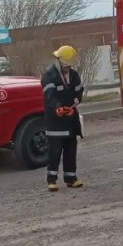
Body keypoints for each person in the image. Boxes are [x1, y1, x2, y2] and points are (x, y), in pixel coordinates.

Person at [41, 45, 85, 191]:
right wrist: (58, 108)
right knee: (54, 152)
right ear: (58, 61)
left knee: (71, 151)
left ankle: (71, 178)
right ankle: (51, 180)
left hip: (70, 122)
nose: (68, 68)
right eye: (66, 66)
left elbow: (79, 91)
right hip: (55, 123)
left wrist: (77, 100)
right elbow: (50, 96)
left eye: (70, 66)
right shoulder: (49, 76)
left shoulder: (73, 75)